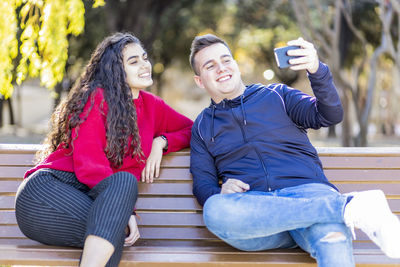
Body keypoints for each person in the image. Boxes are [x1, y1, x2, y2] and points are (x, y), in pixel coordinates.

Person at [189, 33, 400, 267]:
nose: (221, 68)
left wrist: (316, 70)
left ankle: (334, 210)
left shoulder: (278, 95)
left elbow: (329, 115)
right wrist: (220, 192)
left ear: (236, 64)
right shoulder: (201, 127)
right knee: (215, 210)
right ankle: (348, 207)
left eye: (226, 60)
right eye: (210, 65)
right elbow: (203, 185)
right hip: (258, 217)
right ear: (200, 81)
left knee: (333, 241)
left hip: (309, 193)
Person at [15, 32, 193, 267]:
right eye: (133, 61)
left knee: (112, 235)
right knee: (123, 188)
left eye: (144, 58)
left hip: (91, 204)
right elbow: (91, 165)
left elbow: (193, 130)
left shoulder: (153, 107)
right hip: (45, 195)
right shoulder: (97, 98)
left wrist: (162, 142)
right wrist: (125, 211)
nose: (144, 65)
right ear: (115, 69)